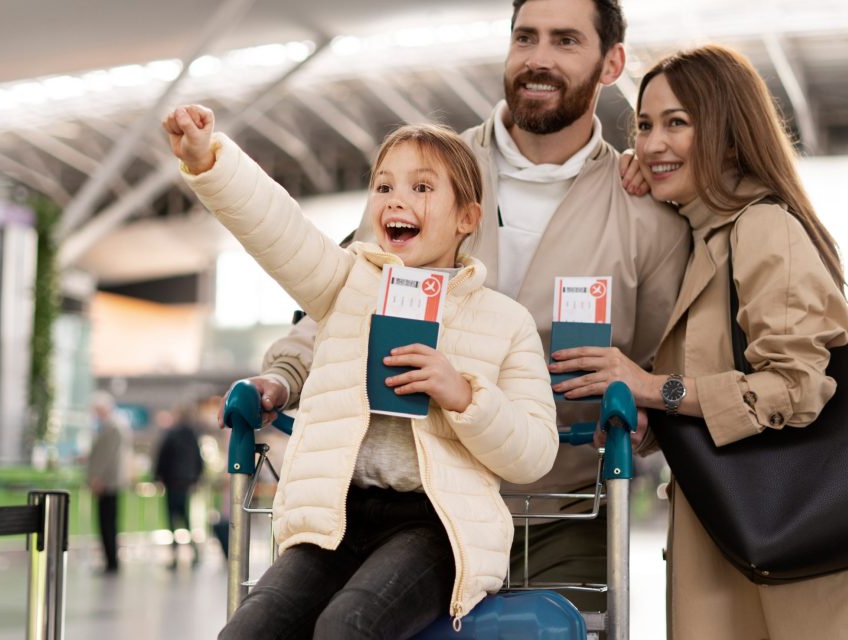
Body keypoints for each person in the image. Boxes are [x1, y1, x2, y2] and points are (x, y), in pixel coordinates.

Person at [227, 0, 690, 610]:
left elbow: (665, 365)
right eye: (525, 37)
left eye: (566, 41)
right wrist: (285, 377)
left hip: (562, 516)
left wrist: (644, 408)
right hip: (413, 506)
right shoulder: (428, 173)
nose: (539, 58)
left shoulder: (647, 219)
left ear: (612, 63)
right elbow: (347, 296)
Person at [164, 105, 559, 638]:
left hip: (436, 527)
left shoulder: (504, 322)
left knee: (347, 627)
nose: (396, 199)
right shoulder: (347, 285)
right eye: (383, 186)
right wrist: (210, 159)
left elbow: (535, 451)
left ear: (467, 218)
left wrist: (464, 396)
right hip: (336, 518)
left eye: (422, 188)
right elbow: (279, 229)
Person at [579, 44, 848, 638]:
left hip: (793, 553)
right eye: (645, 125)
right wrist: (652, 413)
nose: (652, 143)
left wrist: (652, 385)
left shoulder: (762, 227)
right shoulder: (706, 237)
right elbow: (714, 382)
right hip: (737, 534)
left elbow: (793, 389)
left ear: (729, 137)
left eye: (677, 123)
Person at [153, 407, 205, 569]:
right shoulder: (192, 435)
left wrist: (157, 476)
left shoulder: (171, 434)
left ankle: (175, 556)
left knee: (172, 519)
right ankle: (194, 552)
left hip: (172, 481)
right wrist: (196, 478)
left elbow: (162, 457)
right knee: (186, 518)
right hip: (186, 482)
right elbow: (199, 458)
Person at [86, 390, 131, 575]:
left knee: (107, 523)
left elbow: (107, 456)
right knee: (107, 523)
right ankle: (109, 560)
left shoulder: (112, 426)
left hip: (108, 483)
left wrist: (97, 477)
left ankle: (111, 562)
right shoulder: (114, 425)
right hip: (109, 481)